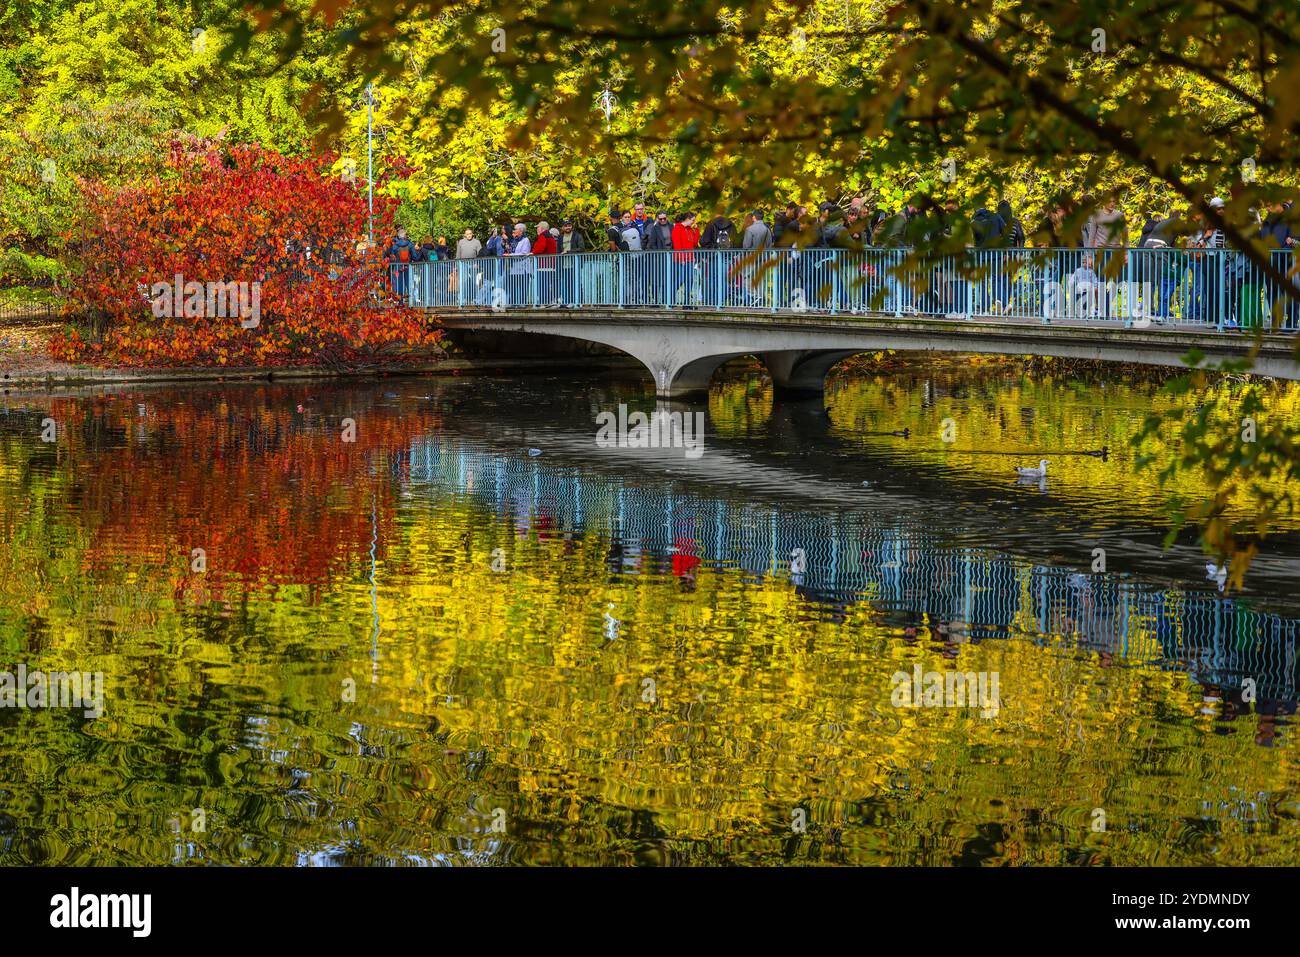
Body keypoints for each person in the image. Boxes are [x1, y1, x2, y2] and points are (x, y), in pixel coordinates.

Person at [699, 213, 737, 306]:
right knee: (724, 279)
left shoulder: (711, 224)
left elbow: (704, 241)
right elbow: (736, 240)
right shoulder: (731, 224)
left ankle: (711, 301)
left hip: (713, 255)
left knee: (712, 278)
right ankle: (721, 301)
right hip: (726, 255)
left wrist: (707, 250)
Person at [671, 212, 700, 307]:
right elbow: (677, 244)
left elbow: (694, 243)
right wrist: (681, 258)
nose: (693, 222)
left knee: (690, 280)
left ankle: (687, 302)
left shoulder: (690, 229)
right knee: (680, 279)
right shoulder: (677, 228)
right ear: (687, 219)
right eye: (692, 220)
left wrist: (697, 230)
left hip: (690, 259)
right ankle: (670, 299)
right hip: (680, 259)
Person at [644, 210, 674, 304]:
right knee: (657, 279)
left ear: (667, 217)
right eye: (660, 219)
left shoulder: (671, 226)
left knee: (668, 278)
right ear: (658, 219)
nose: (663, 220)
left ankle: (667, 300)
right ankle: (656, 300)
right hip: (659, 257)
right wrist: (658, 253)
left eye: (664, 218)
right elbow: (652, 243)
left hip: (670, 256)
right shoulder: (655, 228)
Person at [557, 219, 584, 305]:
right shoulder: (560, 238)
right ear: (562, 227)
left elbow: (581, 248)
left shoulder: (577, 236)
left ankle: (577, 302)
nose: (568, 227)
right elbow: (558, 251)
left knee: (575, 283)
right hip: (564, 265)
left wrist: (568, 251)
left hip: (574, 264)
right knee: (566, 284)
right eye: (566, 226)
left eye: (569, 225)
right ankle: (566, 302)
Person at [385, 227, 417, 298]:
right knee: (408, 282)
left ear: (399, 236)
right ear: (405, 236)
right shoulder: (410, 244)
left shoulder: (395, 246)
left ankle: (400, 300)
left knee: (399, 283)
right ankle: (410, 299)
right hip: (408, 266)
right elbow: (415, 257)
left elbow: (392, 257)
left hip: (398, 266)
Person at [532, 221, 557, 305]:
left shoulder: (543, 236)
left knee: (542, 284)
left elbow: (540, 249)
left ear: (542, 228)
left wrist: (533, 252)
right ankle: (549, 301)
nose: (537, 229)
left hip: (543, 264)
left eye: (538, 228)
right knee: (548, 284)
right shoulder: (550, 236)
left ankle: (543, 302)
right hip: (551, 264)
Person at [507, 222, 532, 305]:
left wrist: (510, 255)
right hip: (514, 268)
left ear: (521, 231)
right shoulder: (514, 240)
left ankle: (523, 303)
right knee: (513, 287)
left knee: (523, 287)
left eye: (515, 229)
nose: (514, 231)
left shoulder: (526, 240)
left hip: (523, 269)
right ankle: (512, 303)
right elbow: (511, 250)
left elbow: (524, 253)